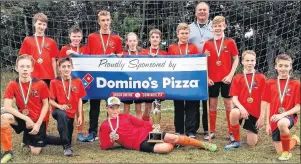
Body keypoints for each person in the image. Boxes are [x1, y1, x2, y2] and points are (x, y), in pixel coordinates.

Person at [99, 97, 217, 153]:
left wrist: (154, 127)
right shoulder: (104, 126)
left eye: (117, 108)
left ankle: (203, 144)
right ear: (107, 108)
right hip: (139, 144)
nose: (115, 111)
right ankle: (175, 145)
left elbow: (142, 124)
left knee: (172, 137)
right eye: (112, 108)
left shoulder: (126, 117)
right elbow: (104, 146)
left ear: (119, 108)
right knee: (165, 148)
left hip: (147, 135)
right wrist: (111, 140)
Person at [1, 55, 60, 163]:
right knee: (4, 118)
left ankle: (43, 138)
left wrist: (37, 123)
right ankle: (7, 151)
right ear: (16, 68)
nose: (25, 69)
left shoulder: (40, 84)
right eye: (22, 66)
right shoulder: (12, 84)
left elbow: (46, 105)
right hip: (23, 118)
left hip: (37, 120)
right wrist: (26, 118)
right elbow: (7, 107)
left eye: (28, 66)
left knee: (35, 152)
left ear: (32, 68)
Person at [86, 10, 123, 141]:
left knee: (112, 106)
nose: (105, 23)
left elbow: (121, 56)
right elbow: (87, 56)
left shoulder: (117, 38)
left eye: (107, 20)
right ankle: (92, 132)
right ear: (98, 21)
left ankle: (113, 131)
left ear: (110, 20)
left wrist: (116, 57)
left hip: (110, 78)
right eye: (103, 20)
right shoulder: (91, 37)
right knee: (94, 106)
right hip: (96, 78)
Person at [19, 12, 59, 129]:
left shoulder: (51, 41)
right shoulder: (28, 40)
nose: (41, 27)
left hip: (47, 77)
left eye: (44, 24)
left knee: (45, 104)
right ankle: (29, 128)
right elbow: (23, 59)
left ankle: (43, 129)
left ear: (46, 26)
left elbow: (53, 61)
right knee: (31, 103)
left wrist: (55, 77)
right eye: (39, 24)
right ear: (35, 24)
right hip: (32, 77)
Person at [202, 16, 239, 141]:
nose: (218, 28)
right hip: (212, 79)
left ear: (225, 26)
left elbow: (236, 59)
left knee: (228, 105)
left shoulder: (230, 42)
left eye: (220, 26)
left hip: (226, 79)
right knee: (212, 105)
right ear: (212, 28)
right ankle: (212, 131)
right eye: (215, 26)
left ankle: (231, 132)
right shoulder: (207, 43)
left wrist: (230, 75)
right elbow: (203, 62)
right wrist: (206, 77)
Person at [224, 50, 266, 150]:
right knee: (234, 112)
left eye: (252, 60)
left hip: (255, 112)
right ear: (242, 62)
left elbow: (264, 99)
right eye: (247, 60)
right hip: (241, 109)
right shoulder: (237, 77)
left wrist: (261, 117)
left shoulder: (261, 77)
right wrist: (242, 109)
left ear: (255, 62)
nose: (250, 63)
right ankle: (236, 140)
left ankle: (252, 130)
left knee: (251, 144)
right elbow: (234, 98)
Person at [262, 54, 300, 161]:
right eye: (281, 65)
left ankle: (287, 153)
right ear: (276, 66)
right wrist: (267, 124)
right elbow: (268, 104)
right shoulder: (270, 82)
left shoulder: (296, 83)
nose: (283, 69)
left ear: (290, 67)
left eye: (286, 66)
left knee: (282, 123)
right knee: (279, 150)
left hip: (288, 117)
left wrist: (282, 114)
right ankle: (294, 141)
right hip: (274, 119)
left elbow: (298, 107)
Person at [49, 57, 87, 156]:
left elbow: (79, 99)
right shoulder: (54, 82)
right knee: (61, 115)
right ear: (59, 68)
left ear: (72, 67)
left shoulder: (78, 81)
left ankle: (47, 139)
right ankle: (67, 148)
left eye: (68, 66)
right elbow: (50, 101)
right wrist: (59, 106)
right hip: (58, 111)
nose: (66, 69)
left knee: (66, 135)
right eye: (63, 66)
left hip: (71, 113)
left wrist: (79, 116)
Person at [168, 23, 200, 138]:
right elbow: (169, 64)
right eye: (182, 33)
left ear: (189, 34)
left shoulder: (193, 47)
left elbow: (198, 64)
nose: (184, 36)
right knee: (179, 106)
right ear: (177, 34)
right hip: (177, 82)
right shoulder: (172, 47)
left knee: (191, 106)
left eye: (186, 33)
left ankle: (191, 131)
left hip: (191, 81)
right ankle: (179, 130)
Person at [58, 25, 89, 142]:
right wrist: (67, 55)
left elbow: (90, 61)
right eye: (74, 36)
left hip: (81, 82)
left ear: (82, 37)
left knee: (79, 107)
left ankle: (80, 131)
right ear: (70, 36)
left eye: (79, 36)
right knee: (68, 106)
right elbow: (59, 64)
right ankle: (66, 129)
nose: (76, 38)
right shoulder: (64, 49)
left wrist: (78, 55)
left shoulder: (85, 49)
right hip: (66, 82)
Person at [188, 1, 213, 139]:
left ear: (208, 12)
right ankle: (192, 129)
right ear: (196, 12)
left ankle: (207, 129)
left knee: (207, 100)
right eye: (200, 10)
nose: (202, 12)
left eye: (205, 10)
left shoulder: (214, 27)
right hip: (193, 68)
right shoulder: (189, 28)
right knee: (193, 99)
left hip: (210, 67)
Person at [141, 29, 167, 121]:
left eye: (157, 37)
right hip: (147, 83)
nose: (155, 39)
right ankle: (145, 127)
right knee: (147, 108)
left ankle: (157, 127)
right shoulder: (143, 52)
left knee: (157, 107)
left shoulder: (164, 53)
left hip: (159, 83)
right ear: (149, 39)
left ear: (160, 39)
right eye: (153, 37)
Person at [122, 32, 148, 119]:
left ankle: (138, 128)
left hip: (139, 84)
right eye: (130, 41)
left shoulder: (143, 53)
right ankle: (125, 126)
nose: (132, 43)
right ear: (127, 42)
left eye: (134, 40)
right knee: (126, 108)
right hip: (127, 84)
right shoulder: (123, 54)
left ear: (137, 41)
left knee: (138, 108)